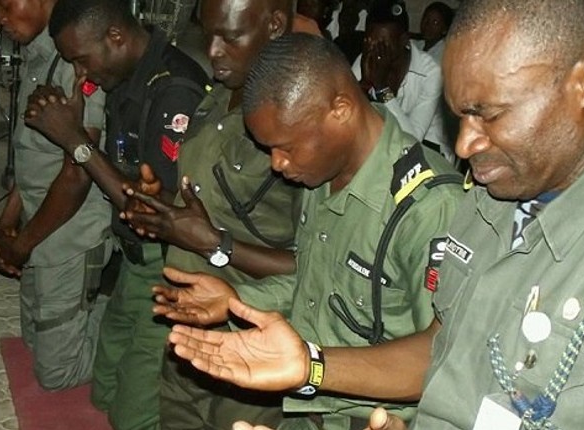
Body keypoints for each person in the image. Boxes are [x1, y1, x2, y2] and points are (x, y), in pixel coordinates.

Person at [164, 0, 584, 429]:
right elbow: (444, 347)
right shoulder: (494, 199)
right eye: (457, 116)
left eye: (487, 114)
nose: (465, 144)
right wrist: (311, 366)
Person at [151, 32, 463, 429]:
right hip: (304, 412)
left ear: (341, 109)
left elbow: (441, 356)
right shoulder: (322, 176)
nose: (277, 164)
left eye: (285, 147)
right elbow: (316, 283)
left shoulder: (428, 207)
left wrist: (312, 367)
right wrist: (237, 302)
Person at [118, 0, 306, 428]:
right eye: (208, 34)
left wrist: (213, 244)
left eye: (231, 36)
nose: (214, 50)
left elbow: (313, 264)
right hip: (186, 336)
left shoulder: (297, 127)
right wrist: (162, 205)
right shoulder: (216, 97)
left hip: (247, 345)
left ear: (274, 25)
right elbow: (209, 205)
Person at [22, 0, 209, 427]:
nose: (82, 74)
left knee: (131, 417)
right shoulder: (124, 76)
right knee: (103, 388)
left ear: (116, 37)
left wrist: (75, 141)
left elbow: (154, 213)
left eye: (81, 60)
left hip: (171, 267)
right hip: (134, 259)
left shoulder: (173, 89)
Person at [0, 0, 110, 391]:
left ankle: (135, 337)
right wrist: (6, 224)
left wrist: (21, 245)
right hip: (40, 227)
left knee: (57, 374)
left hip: (72, 234)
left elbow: (77, 174)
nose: (0, 19)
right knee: (32, 342)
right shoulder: (39, 53)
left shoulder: (76, 57)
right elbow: (31, 162)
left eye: (7, 6)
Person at [353, 1, 453, 164]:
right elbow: (349, 119)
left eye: (384, 44)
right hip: (385, 144)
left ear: (404, 41)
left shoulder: (430, 72)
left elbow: (412, 140)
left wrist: (381, 89)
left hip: (429, 152)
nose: (377, 49)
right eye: (371, 41)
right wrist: (364, 83)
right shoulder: (367, 58)